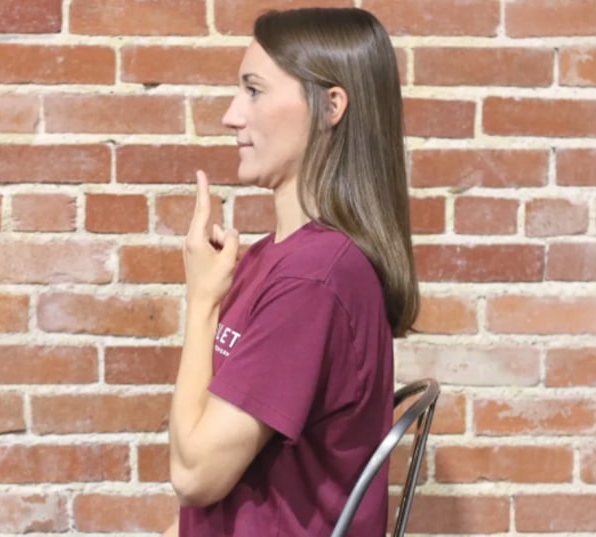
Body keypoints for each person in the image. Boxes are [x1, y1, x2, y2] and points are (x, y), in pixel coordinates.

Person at [163, 7, 419, 536]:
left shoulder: (314, 280)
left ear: (330, 107)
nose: (232, 114)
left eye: (254, 90)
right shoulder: (272, 260)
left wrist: (203, 302)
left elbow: (195, 476)